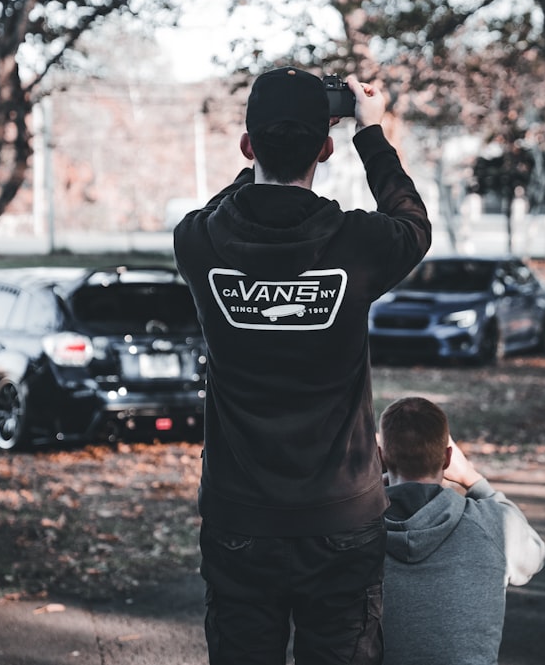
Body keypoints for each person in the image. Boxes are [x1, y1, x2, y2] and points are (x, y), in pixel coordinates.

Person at [173, 67, 431, 664]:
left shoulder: (198, 243)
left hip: (240, 521)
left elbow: (223, 205)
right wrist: (370, 132)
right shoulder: (359, 244)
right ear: (326, 148)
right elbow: (413, 222)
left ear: (247, 146)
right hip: (342, 519)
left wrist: (268, 156)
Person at [378, 397, 545, 665]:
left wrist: (370, 486)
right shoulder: (493, 524)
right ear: (448, 458)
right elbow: (536, 556)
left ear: (380, 457)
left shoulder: (351, 531)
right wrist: (472, 478)